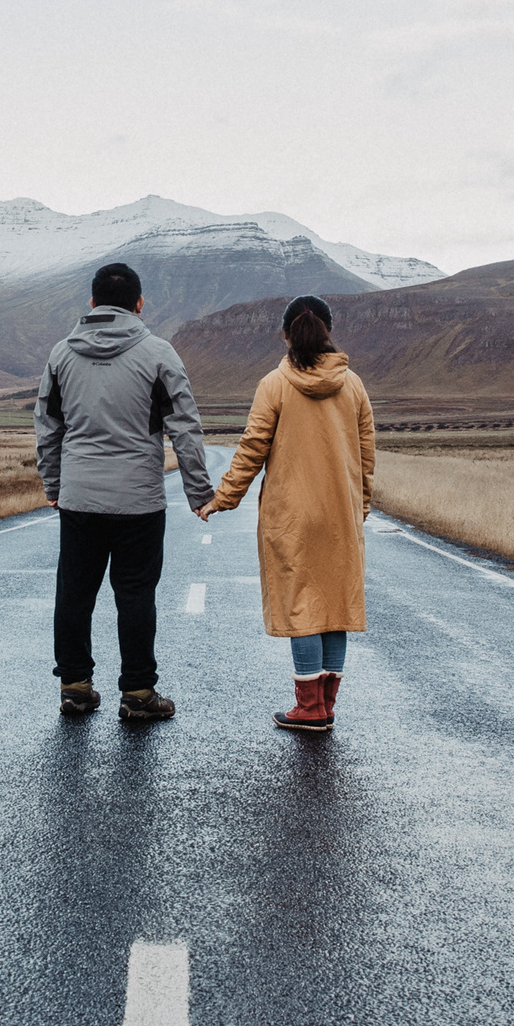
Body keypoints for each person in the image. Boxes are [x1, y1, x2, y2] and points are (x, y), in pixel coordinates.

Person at [35, 261, 215, 721]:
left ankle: (75, 688)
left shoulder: (61, 355)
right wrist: (199, 492)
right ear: (139, 304)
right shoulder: (159, 353)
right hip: (138, 501)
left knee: (74, 593)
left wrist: (53, 483)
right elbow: (185, 427)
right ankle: (137, 694)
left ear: (92, 303)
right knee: (135, 595)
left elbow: (48, 427)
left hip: (79, 498)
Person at [199, 294, 375, 733]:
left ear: (285, 333)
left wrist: (223, 497)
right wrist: (362, 505)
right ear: (329, 331)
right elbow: (366, 455)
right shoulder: (353, 385)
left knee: (301, 605)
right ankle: (326, 704)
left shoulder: (273, 385)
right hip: (340, 513)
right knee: (335, 604)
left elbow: (253, 447)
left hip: (292, 516)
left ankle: (309, 708)